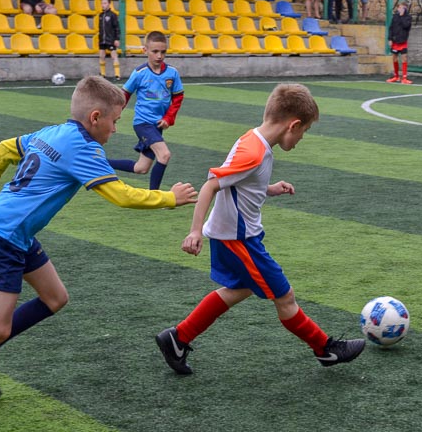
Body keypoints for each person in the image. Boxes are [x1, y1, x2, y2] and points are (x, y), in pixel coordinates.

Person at [0, 76, 198, 423]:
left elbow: (5, 149)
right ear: (96, 117)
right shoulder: (83, 148)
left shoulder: (54, 132)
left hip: (15, 232)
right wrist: (169, 198)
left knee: (55, 298)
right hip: (3, 236)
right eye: (115, 122)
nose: (117, 130)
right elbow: (121, 195)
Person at [155, 83, 366, 376]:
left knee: (239, 289)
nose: (302, 138)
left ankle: (178, 338)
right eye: (304, 131)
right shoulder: (254, 152)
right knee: (285, 296)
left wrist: (268, 189)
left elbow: (241, 182)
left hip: (233, 235)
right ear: (293, 124)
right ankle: (325, 349)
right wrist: (194, 231)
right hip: (240, 240)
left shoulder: (254, 141)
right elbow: (211, 185)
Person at [107, 31, 184, 191]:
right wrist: (113, 117)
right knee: (164, 155)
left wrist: (168, 118)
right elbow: (124, 95)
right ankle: (155, 196)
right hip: (143, 124)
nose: (159, 56)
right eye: (155, 51)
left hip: (157, 126)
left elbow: (177, 98)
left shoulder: (172, 73)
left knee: (141, 168)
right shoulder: (139, 73)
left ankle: (102, 162)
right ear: (145, 50)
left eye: (163, 52)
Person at [386, 1, 413, 84]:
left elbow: (406, 26)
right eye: (398, 7)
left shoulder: (408, 17)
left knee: (404, 58)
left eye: (401, 7)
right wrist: (390, 39)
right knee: (394, 57)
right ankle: (396, 76)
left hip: (403, 41)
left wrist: (402, 16)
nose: (399, 9)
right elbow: (391, 28)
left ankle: (404, 78)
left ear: (405, 9)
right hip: (395, 41)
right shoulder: (395, 17)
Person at [98, 0, 121, 81]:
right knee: (101, 55)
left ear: (109, 4)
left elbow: (117, 28)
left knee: (114, 56)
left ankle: (117, 75)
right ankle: (103, 74)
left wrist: (117, 39)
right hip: (102, 39)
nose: (103, 5)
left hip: (110, 39)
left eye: (104, 3)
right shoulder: (101, 15)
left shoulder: (113, 15)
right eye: (102, 3)